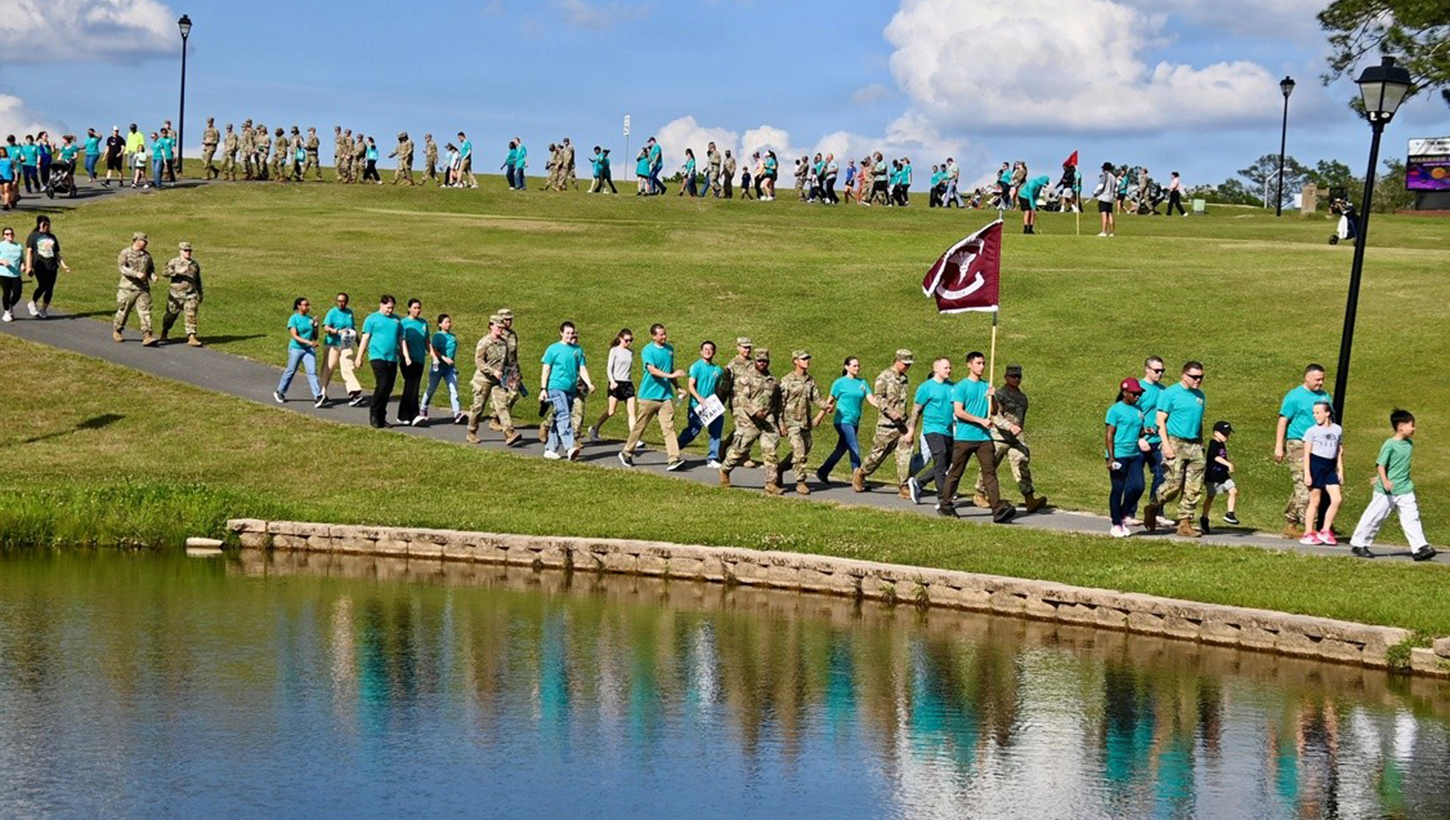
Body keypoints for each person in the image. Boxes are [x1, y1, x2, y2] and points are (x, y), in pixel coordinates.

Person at [1349, 409, 1435, 560]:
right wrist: (1383, 480)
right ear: (1401, 426)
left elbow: (1395, 466)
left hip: (1405, 488)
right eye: (1411, 425)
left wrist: (1382, 477)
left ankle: (1420, 548)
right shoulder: (1389, 445)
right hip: (1386, 491)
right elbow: (1381, 464)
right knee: (1375, 517)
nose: (1414, 428)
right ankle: (1359, 544)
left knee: (1411, 517)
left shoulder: (1409, 443)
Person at [945, 351, 1015, 522]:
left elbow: (993, 411)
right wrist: (980, 421)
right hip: (965, 437)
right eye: (978, 363)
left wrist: (993, 398)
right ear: (969, 364)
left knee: (990, 473)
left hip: (984, 438)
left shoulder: (986, 386)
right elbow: (959, 412)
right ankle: (946, 504)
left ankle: (997, 509)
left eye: (983, 363)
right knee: (956, 472)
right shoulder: (961, 387)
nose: (982, 367)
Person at [1145, 361, 1207, 537]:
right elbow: (1160, 421)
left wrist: (1201, 443)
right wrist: (1165, 445)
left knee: (1194, 487)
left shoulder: (1200, 396)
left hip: (1195, 444)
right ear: (1184, 375)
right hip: (1175, 441)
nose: (1198, 380)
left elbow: (1198, 421)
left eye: (1200, 377)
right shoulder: (1170, 393)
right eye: (1194, 377)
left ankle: (1185, 523)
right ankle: (1153, 506)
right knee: (1173, 484)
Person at [973, 364, 1047, 513]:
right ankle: (980, 494)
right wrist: (1010, 426)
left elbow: (1020, 419)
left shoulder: (1022, 397)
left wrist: (1018, 431)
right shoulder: (1000, 394)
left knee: (1022, 462)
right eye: (1013, 376)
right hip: (999, 436)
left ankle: (1029, 498)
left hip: (1015, 439)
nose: (1016, 379)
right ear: (1006, 377)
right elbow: (995, 415)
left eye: (1018, 376)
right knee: (990, 465)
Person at [1274, 364, 1332, 539]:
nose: (1320, 383)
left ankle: (1291, 522)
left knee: (1314, 483)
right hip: (1298, 443)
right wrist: (1279, 445)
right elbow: (1283, 420)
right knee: (1305, 484)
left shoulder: (1324, 397)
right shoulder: (1295, 396)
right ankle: (1310, 526)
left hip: (1320, 445)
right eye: (1317, 379)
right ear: (1307, 378)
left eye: (1322, 379)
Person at [620, 323, 686, 470]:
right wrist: (671, 375)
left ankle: (673, 459)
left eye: (665, 334)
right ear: (653, 336)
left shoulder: (669, 350)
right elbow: (652, 370)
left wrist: (678, 387)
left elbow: (670, 369)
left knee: (669, 428)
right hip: (648, 396)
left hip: (665, 397)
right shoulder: (647, 350)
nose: (664, 337)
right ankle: (627, 452)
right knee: (640, 426)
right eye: (661, 334)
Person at [719, 347, 782, 493]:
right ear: (755, 361)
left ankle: (771, 483)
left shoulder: (772, 381)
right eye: (759, 361)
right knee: (740, 450)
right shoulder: (746, 378)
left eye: (764, 361)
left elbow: (777, 402)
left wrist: (779, 421)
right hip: (749, 420)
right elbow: (742, 398)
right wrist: (755, 412)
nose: (762, 363)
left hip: (768, 421)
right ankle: (725, 469)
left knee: (770, 451)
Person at [855, 349, 916, 498]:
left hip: (902, 425)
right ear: (897, 361)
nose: (907, 367)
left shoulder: (904, 379)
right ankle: (862, 472)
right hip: (886, 425)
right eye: (905, 364)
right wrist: (889, 411)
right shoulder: (884, 377)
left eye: (909, 364)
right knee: (877, 455)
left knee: (905, 455)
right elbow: (879, 398)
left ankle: (903, 485)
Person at [775, 350, 833, 494]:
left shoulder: (810, 380)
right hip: (791, 421)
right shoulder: (786, 381)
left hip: (805, 422)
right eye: (803, 359)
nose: (807, 361)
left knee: (805, 448)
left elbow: (816, 398)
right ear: (795, 361)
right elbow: (779, 404)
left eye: (808, 359)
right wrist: (781, 424)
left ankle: (781, 468)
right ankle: (800, 481)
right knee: (799, 450)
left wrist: (826, 406)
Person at [817, 356, 876, 485]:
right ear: (846, 367)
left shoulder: (862, 383)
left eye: (858, 366)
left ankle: (822, 471)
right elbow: (829, 401)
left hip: (855, 421)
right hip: (842, 420)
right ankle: (858, 478)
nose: (857, 368)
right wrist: (819, 417)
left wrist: (884, 407)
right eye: (854, 365)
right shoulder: (840, 383)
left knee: (841, 448)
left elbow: (871, 399)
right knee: (853, 446)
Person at [906, 357, 955, 508]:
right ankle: (943, 499)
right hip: (932, 429)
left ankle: (918, 483)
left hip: (948, 431)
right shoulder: (926, 387)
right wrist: (911, 430)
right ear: (936, 370)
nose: (949, 370)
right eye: (946, 368)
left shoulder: (953, 387)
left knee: (947, 464)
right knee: (940, 460)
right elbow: (916, 410)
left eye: (949, 368)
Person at [540, 321, 592, 460]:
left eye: (572, 333)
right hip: (555, 387)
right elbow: (546, 369)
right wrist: (543, 388)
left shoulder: (577, 350)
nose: (570, 336)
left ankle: (550, 449)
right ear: (561, 333)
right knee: (564, 415)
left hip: (570, 388)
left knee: (558, 417)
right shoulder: (553, 348)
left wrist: (589, 383)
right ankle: (570, 447)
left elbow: (581, 368)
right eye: (567, 333)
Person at [468, 315, 522, 446]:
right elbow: (479, 361)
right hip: (483, 380)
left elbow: (508, 361)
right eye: (498, 327)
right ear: (491, 326)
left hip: (498, 381)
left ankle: (509, 433)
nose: (501, 330)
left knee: (502, 405)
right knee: (478, 407)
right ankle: (471, 432)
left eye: (502, 328)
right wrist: (493, 371)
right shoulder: (484, 342)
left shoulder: (504, 343)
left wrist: (512, 376)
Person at [1104, 378, 1148, 537]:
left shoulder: (1138, 410)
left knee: (1138, 486)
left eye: (1139, 393)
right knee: (1118, 488)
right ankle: (1116, 523)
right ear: (1124, 392)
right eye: (1134, 393)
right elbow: (1110, 434)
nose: (1137, 396)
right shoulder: (1115, 410)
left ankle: (1122, 513)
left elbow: (1138, 430)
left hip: (1135, 453)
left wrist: (1146, 432)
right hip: (1119, 455)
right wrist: (1111, 457)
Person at [1128, 356, 1167, 523]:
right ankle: (1128, 513)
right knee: (1136, 481)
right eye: (1156, 370)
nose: (1160, 374)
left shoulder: (1163, 391)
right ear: (1147, 370)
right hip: (1140, 441)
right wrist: (1138, 438)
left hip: (1157, 440)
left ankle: (1156, 511)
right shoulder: (1138, 389)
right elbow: (1128, 415)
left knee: (1162, 475)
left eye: (1162, 371)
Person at [356, 295, 404, 428]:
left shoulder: (396, 320)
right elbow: (365, 338)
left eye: (392, 308)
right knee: (382, 384)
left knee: (388, 388)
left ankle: (382, 416)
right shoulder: (372, 319)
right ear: (381, 305)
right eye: (388, 307)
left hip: (392, 358)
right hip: (377, 356)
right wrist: (359, 357)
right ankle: (374, 413)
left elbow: (400, 338)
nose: (390, 310)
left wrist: (403, 354)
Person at [676, 340, 726, 467]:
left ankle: (713, 458)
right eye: (705, 349)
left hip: (712, 406)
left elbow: (718, 387)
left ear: (714, 352)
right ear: (701, 351)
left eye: (710, 349)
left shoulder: (718, 370)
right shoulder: (696, 367)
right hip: (696, 406)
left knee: (716, 430)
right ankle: (674, 449)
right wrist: (699, 398)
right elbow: (691, 385)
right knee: (693, 431)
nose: (708, 351)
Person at [1300, 403, 1344, 546]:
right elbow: (1306, 454)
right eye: (1314, 413)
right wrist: (1307, 473)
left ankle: (1325, 530)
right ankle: (1308, 532)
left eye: (1318, 412)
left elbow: (1338, 451)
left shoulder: (1337, 430)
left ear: (1327, 413)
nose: (1315, 415)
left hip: (1330, 466)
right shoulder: (1312, 431)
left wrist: (1340, 470)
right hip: (1316, 464)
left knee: (1337, 499)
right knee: (1315, 501)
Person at [589, 328, 636, 443]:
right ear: (620, 338)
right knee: (611, 411)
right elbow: (609, 368)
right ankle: (595, 428)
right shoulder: (614, 351)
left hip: (627, 383)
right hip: (616, 383)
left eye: (631, 340)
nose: (628, 343)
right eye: (626, 340)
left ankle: (634, 438)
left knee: (632, 412)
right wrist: (612, 381)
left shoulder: (631, 352)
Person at [274, 297, 323, 404]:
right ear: (299, 306)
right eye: (305, 305)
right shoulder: (294, 319)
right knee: (291, 370)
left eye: (308, 304)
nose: (307, 307)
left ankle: (317, 396)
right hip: (296, 349)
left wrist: (315, 326)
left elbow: (315, 337)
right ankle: (280, 391)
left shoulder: (309, 319)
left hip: (308, 349)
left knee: (312, 372)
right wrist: (309, 342)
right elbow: (294, 336)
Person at [319, 292, 363, 406]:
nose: (340, 303)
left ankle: (353, 393)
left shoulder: (349, 313)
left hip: (346, 343)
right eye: (338, 301)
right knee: (329, 367)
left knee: (348, 366)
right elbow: (326, 327)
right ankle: (322, 393)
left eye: (343, 301)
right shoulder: (332, 312)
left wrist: (359, 343)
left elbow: (352, 328)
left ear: (346, 302)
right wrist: (337, 332)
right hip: (332, 344)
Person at [113, 232, 157, 345]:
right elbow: (121, 267)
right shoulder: (125, 253)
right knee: (124, 310)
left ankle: (147, 335)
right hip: (128, 287)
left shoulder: (147, 255)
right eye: (143, 241)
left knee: (145, 311)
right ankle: (117, 330)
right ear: (136, 240)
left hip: (143, 288)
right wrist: (135, 274)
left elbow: (150, 269)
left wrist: (153, 276)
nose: (145, 243)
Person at [23, 215, 69, 320]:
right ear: (40, 224)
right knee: (43, 285)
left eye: (48, 224)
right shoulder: (33, 236)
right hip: (40, 265)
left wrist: (63, 265)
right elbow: (29, 252)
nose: (47, 226)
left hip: (52, 266)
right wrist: (29, 267)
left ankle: (44, 309)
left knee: (50, 288)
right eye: (45, 224)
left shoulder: (52, 237)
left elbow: (56, 253)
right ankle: (33, 302)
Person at [418, 313, 462, 424]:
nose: (449, 324)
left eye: (449, 322)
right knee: (431, 389)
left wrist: (451, 363)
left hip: (450, 369)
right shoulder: (438, 336)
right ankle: (423, 409)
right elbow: (433, 349)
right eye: (446, 322)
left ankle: (457, 413)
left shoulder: (453, 336)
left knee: (453, 390)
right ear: (440, 324)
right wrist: (443, 358)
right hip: (438, 367)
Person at [159, 241, 203, 346]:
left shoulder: (194, 264)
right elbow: (164, 272)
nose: (188, 252)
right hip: (175, 295)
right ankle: (165, 331)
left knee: (191, 315)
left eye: (189, 250)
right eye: (185, 250)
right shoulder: (174, 262)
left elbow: (198, 280)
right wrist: (178, 272)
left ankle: (191, 337)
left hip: (190, 294)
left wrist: (200, 292)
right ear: (180, 251)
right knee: (170, 316)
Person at [1201, 421, 1238, 535]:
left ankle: (1230, 513)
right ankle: (1204, 518)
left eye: (1228, 434)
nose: (1226, 437)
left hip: (1223, 475)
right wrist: (1228, 464)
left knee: (1233, 491)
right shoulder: (1213, 443)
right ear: (1216, 433)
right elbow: (1215, 457)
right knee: (1210, 497)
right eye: (1224, 434)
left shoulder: (1222, 444)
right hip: (1213, 476)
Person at [398, 298, 430, 424]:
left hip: (419, 359)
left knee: (412, 387)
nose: (417, 310)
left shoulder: (423, 323)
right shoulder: (403, 323)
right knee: (412, 385)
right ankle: (414, 414)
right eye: (415, 308)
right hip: (407, 360)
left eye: (419, 308)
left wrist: (433, 355)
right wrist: (404, 356)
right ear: (409, 309)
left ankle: (404, 415)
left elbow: (427, 341)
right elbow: (400, 340)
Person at [1091, 161, 1117, 237]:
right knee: (1110, 214)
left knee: (1104, 214)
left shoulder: (1104, 175)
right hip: (1111, 197)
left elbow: (1101, 186)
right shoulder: (1113, 177)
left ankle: (1103, 231)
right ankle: (1112, 232)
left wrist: (1095, 192)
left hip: (1104, 197)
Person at [0, 227, 21, 321]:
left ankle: (10, 305)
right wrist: (2, 261)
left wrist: (23, 265)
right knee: (7, 293)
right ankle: (7, 312)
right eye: (7, 234)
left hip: (16, 273)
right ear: (4, 236)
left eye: (11, 233)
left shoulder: (18, 246)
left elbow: (22, 259)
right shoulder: (1, 245)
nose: (10, 235)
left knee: (17, 293)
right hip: (4, 273)